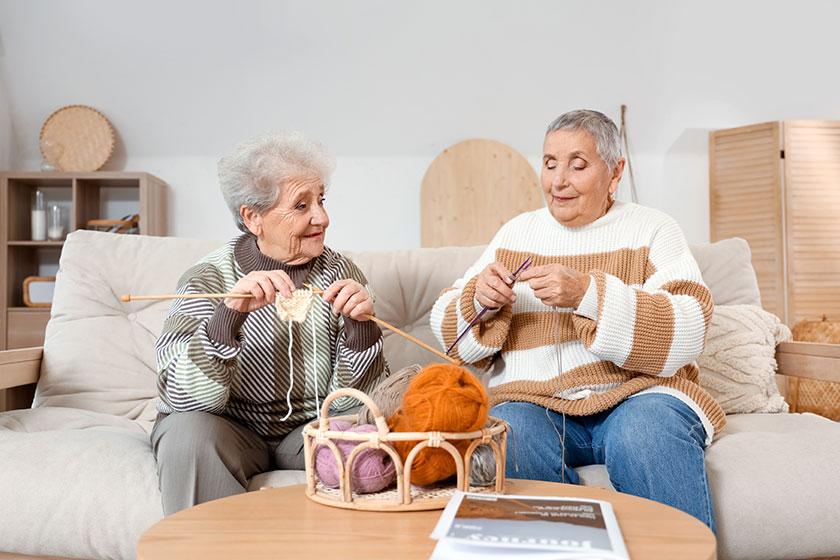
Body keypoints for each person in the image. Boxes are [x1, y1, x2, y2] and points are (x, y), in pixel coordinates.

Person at [430, 109, 724, 533]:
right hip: (536, 403)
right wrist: (481, 300)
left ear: (615, 172)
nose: (558, 181)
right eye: (549, 163)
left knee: (644, 433)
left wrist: (589, 294)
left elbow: (690, 325)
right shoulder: (517, 234)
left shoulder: (653, 228)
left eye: (578, 165)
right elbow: (451, 336)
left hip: (638, 396)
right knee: (508, 436)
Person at [152, 131, 387, 515]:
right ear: (253, 217)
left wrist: (361, 330)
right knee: (186, 437)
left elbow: (351, 410)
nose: (322, 218)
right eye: (301, 206)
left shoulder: (344, 273)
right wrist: (228, 317)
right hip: (227, 429)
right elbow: (180, 398)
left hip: (308, 432)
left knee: (363, 445)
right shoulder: (207, 278)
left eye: (321, 201)